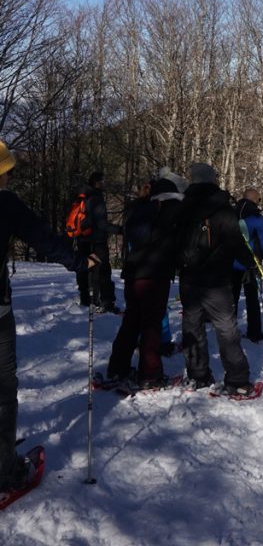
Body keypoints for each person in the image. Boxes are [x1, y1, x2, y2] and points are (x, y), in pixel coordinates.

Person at [0, 142, 99, 498]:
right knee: (2, 387)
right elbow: (42, 238)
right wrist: (79, 263)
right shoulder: (5, 202)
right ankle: (5, 471)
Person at [175, 163, 257, 396]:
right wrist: (249, 261)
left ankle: (198, 375)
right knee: (226, 330)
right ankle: (238, 380)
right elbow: (237, 243)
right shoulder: (223, 209)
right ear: (213, 181)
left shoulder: (183, 207)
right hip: (217, 280)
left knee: (192, 326)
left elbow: (173, 242)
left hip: (189, 279)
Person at [106, 176, 184, 389]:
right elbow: (177, 246)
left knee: (131, 322)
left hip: (134, 273)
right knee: (151, 325)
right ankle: (150, 375)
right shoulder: (171, 211)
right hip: (156, 275)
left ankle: (117, 368)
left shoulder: (139, 209)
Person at [75, 172, 122, 313]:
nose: (104, 183)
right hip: (97, 240)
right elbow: (102, 224)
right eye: (102, 181)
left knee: (83, 268)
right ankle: (106, 301)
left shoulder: (81, 196)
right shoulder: (96, 197)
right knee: (103, 271)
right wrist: (120, 230)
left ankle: (85, 298)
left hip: (82, 238)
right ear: (96, 182)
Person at [232, 188, 263, 342]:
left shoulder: (231, 213)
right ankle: (254, 332)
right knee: (252, 298)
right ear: (255, 200)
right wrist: (258, 259)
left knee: (231, 298)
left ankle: (230, 332)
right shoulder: (256, 217)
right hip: (249, 264)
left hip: (231, 263)